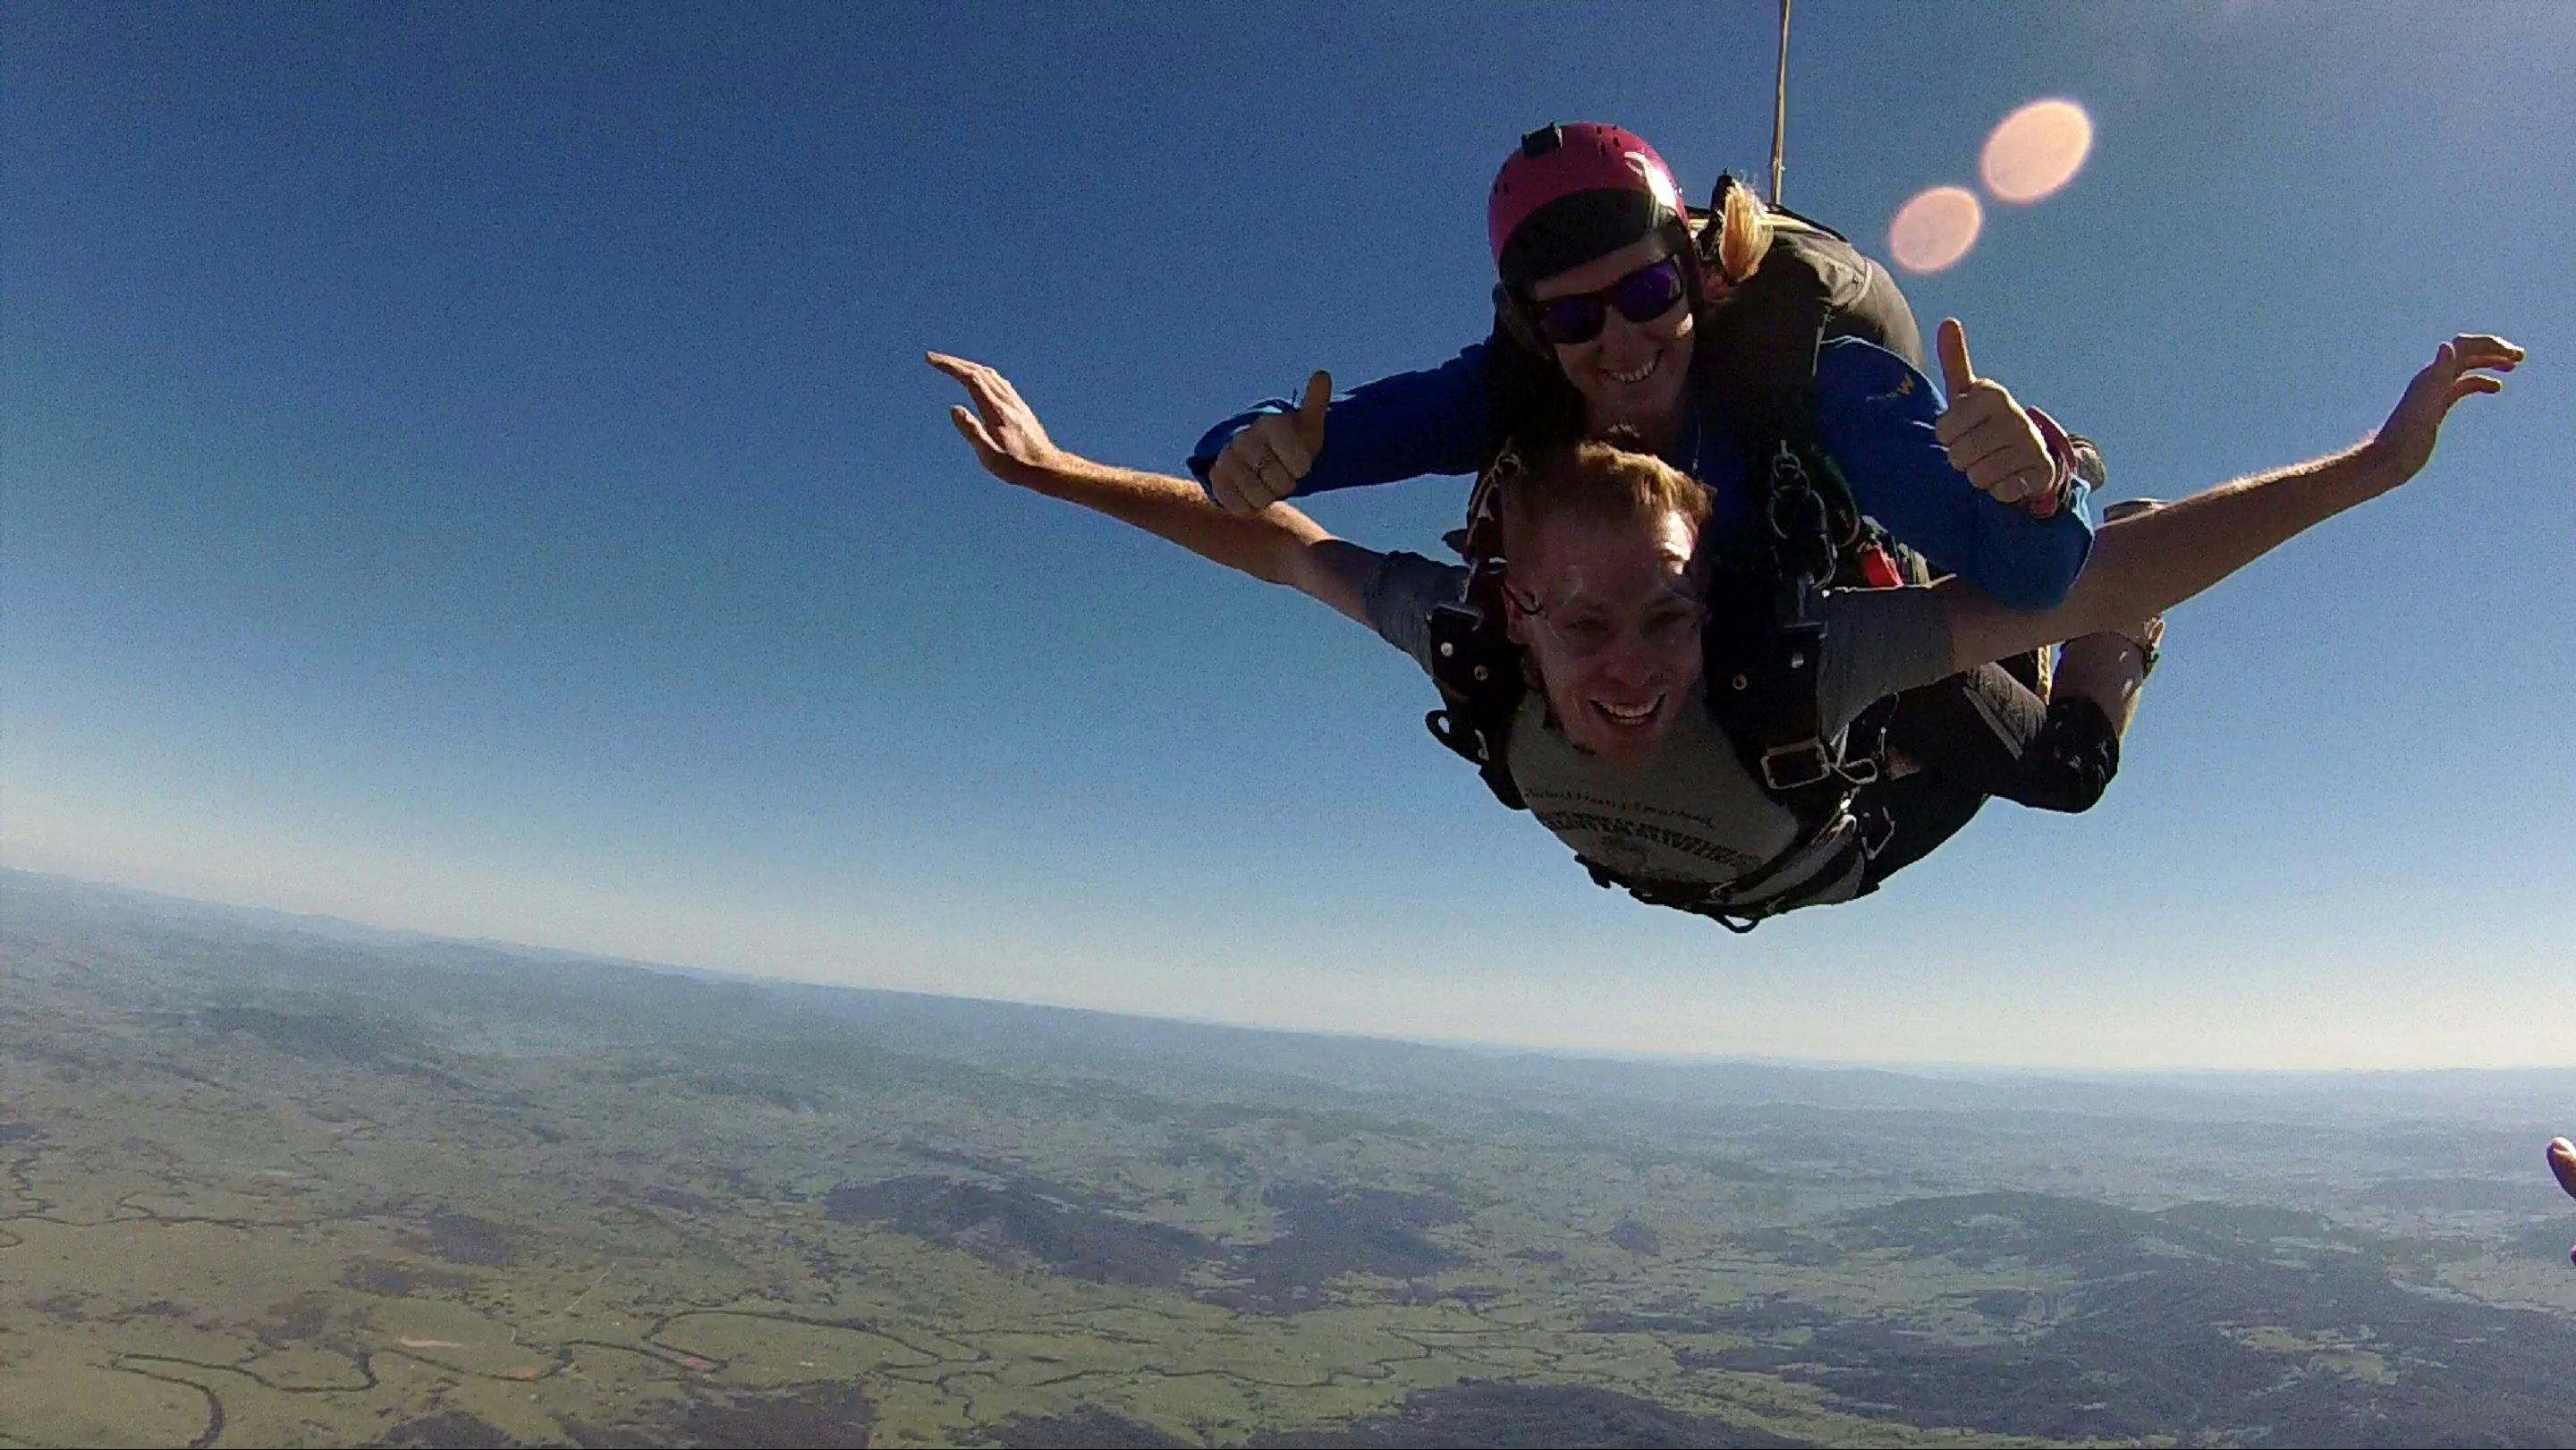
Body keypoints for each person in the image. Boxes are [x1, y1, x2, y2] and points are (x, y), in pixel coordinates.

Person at [927, 329, 2518, 925]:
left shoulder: (1784, 652)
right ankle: (1965, 572)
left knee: (2064, 754)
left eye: (1668, 616)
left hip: (1865, 806)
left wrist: (2373, 470)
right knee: (1958, 623)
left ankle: (2074, 659)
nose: (1627, 667)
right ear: (1517, 605)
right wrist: (1057, 471)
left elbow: (2103, 573)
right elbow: (1270, 546)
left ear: (1716, 601)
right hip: (1756, 816)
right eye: (1585, 622)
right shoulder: (1467, 632)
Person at [1184, 123, 2140, 895]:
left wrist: (2040, 491)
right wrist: (1251, 444)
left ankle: (2125, 606)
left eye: (1646, 291)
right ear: (1531, 328)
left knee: (2064, 775)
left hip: (1840, 628)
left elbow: (2031, 573)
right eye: (1573, 318)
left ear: (1695, 274)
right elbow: (1307, 440)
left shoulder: (1810, 387)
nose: (1621, 340)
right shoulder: (1515, 395)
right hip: (1728, 670)